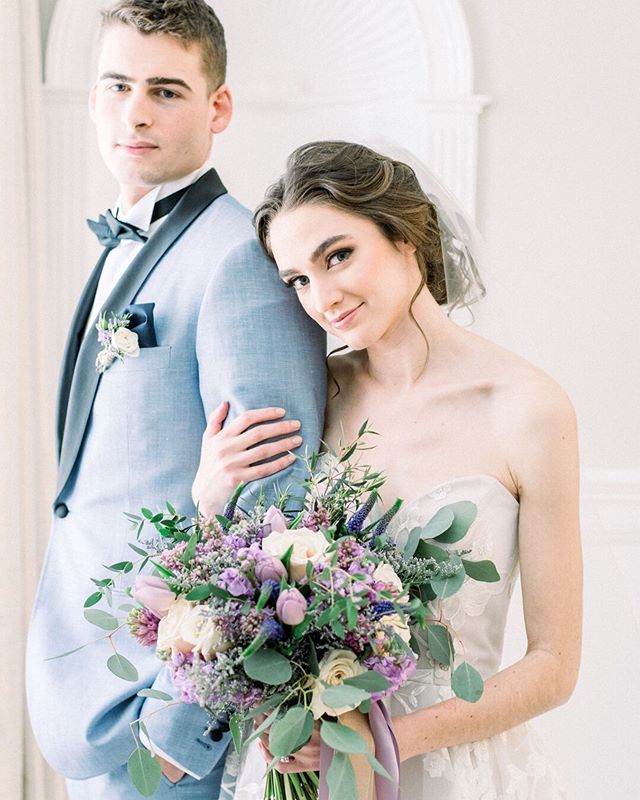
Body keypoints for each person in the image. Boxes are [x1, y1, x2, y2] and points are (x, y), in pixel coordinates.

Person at [194, 141, 582, 798]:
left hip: (452, 766)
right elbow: (244, 578)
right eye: (298, 280)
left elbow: (555, 665)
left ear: (406, 234)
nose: (322, 298)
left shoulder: (526, 409)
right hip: (306, 761)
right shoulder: (313, 396)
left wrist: (379, 742)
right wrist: (210, 496)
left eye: (337, 256)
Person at [25, 3, 326, 798]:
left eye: (165, 90)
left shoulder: (239, 258)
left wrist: (181, 728)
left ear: (217, 107)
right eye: (117, 85)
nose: (135, 112)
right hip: (94, 696)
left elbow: (275, 506)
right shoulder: (126, 245)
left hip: (161, 714)